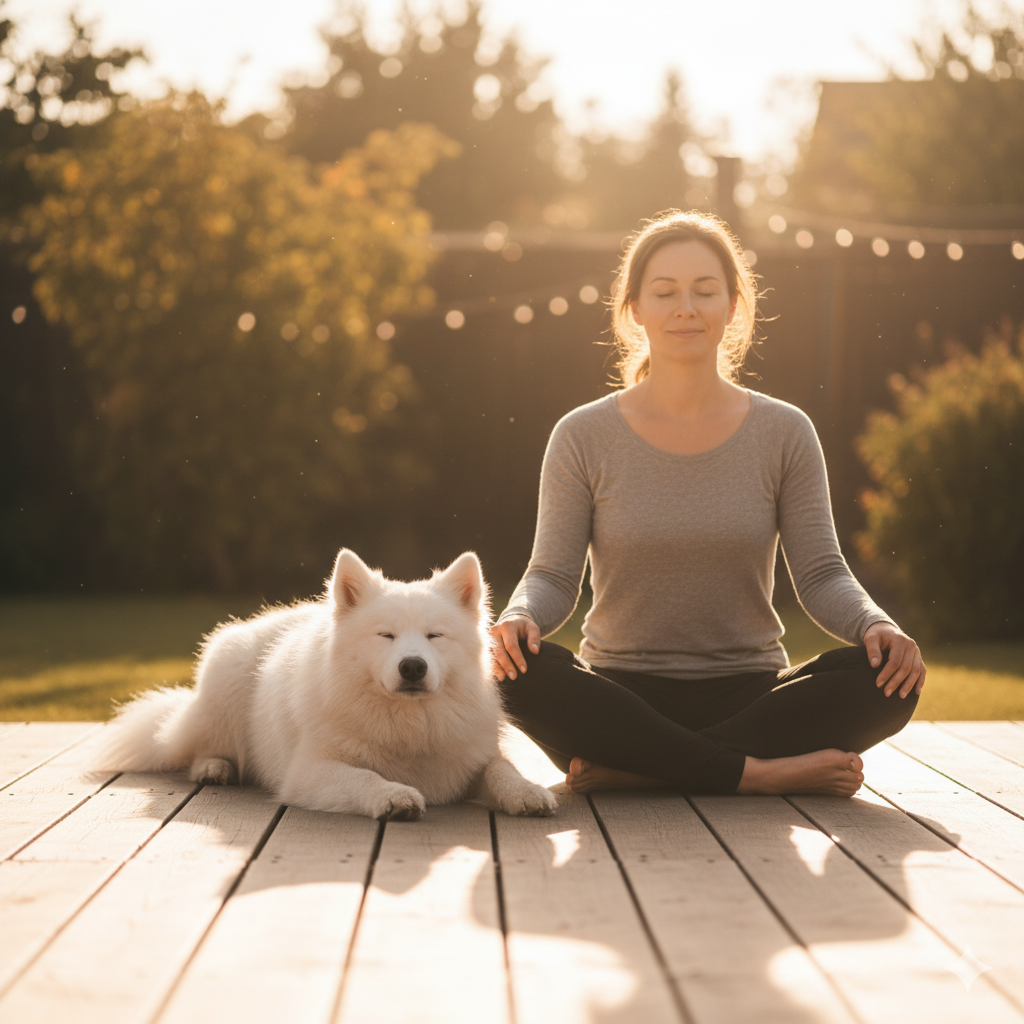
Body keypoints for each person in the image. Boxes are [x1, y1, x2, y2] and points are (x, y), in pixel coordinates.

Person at [490, 210, 925, 798]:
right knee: (517, 675)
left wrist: (876, 623)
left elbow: (822, 573)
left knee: (888, 680)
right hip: (619, 696)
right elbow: (552, 575)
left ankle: (644, 770)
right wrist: (520, 616)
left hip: (748, 692)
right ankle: (759, 773)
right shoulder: (582, 435)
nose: (685, 309)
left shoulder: (785, 432)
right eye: (665, 292)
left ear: (733, 305)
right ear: (635, 309)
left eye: (704, 291)